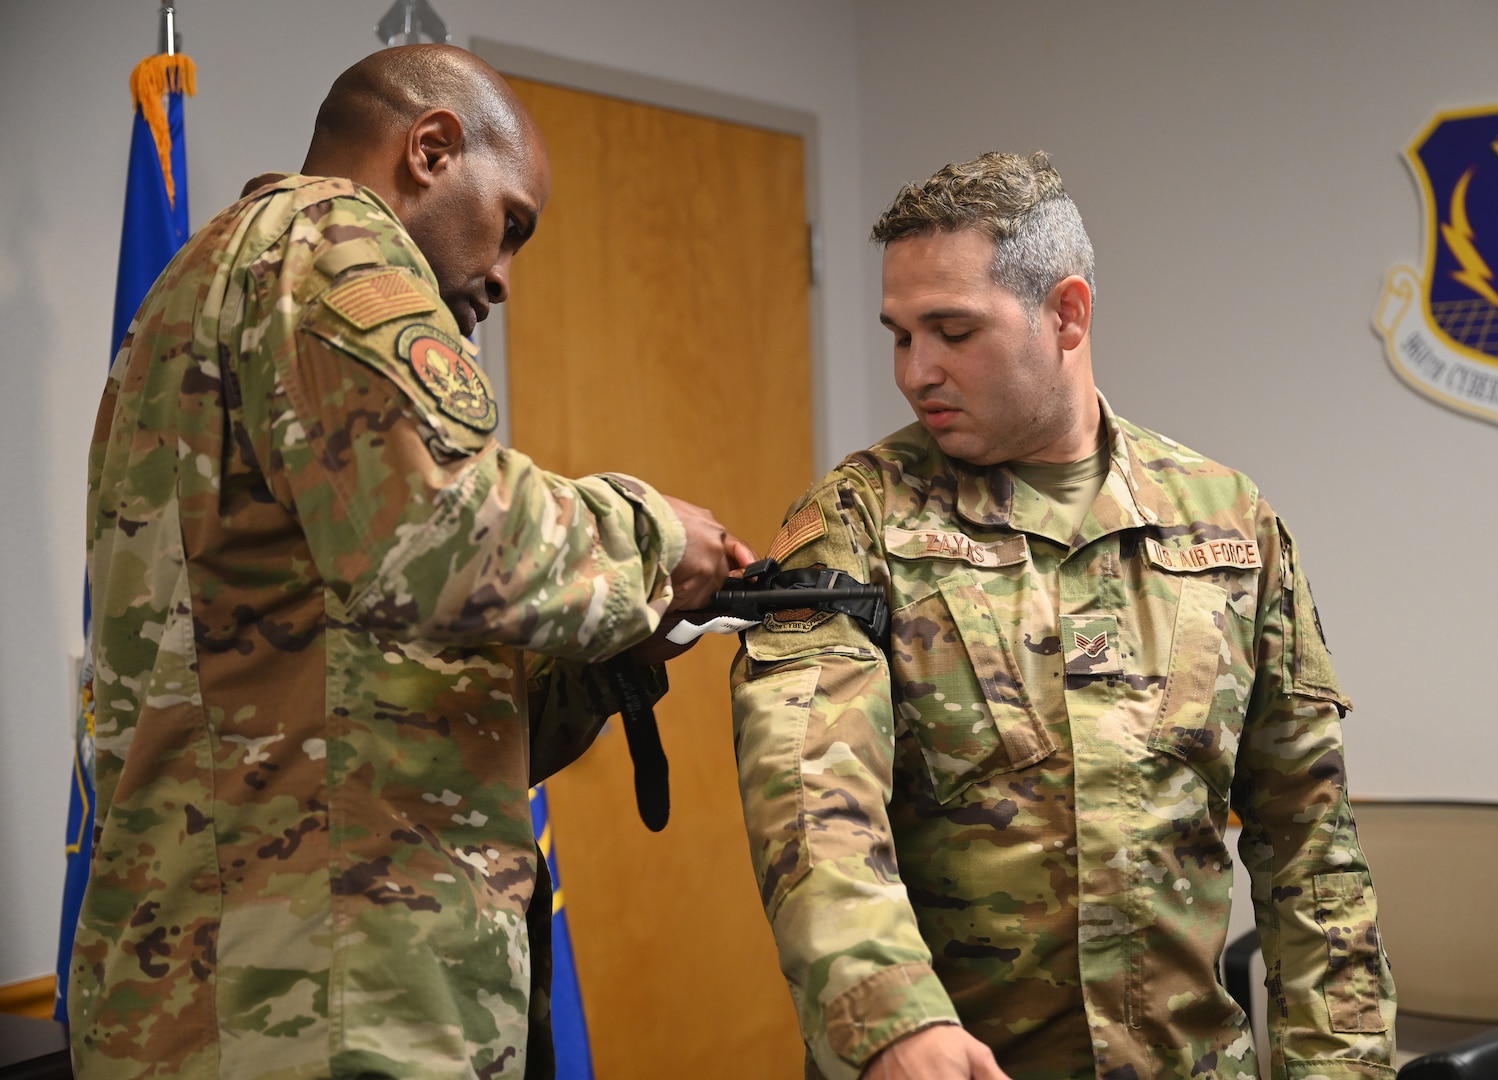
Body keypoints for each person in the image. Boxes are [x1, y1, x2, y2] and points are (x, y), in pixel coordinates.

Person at [71, 45, 751, 1079]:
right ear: (431, 149)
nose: (504, 277)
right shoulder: (332, 245)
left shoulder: (203, 285)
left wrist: (618, 648)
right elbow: (437, 539)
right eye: (510, 223)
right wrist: (654, 533)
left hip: (231, 989)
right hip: (315, 1002)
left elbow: (375, 692)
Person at [730, 152, 1396, 1080]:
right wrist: (889, 1021)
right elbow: (811, 806)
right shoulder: (856, 523)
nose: (915, 370)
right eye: (899, 335)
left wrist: (1344, 1069)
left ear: (1066, 314)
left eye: (951, 330)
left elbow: (1310, 853)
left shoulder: (1228, 525)